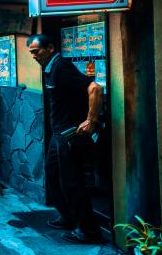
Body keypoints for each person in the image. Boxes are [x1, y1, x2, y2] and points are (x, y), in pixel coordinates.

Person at [27, 34, 103, 244]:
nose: (34, 56)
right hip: (58, 133)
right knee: (52, 175)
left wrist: (90, 120)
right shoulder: (50, 68)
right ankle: (68, 216)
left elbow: (95, 88)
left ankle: (89, 231)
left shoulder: (62, 67)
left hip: (70, 134)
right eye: (31, 53)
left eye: (36, 51)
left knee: (72, 182)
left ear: (50, 47)